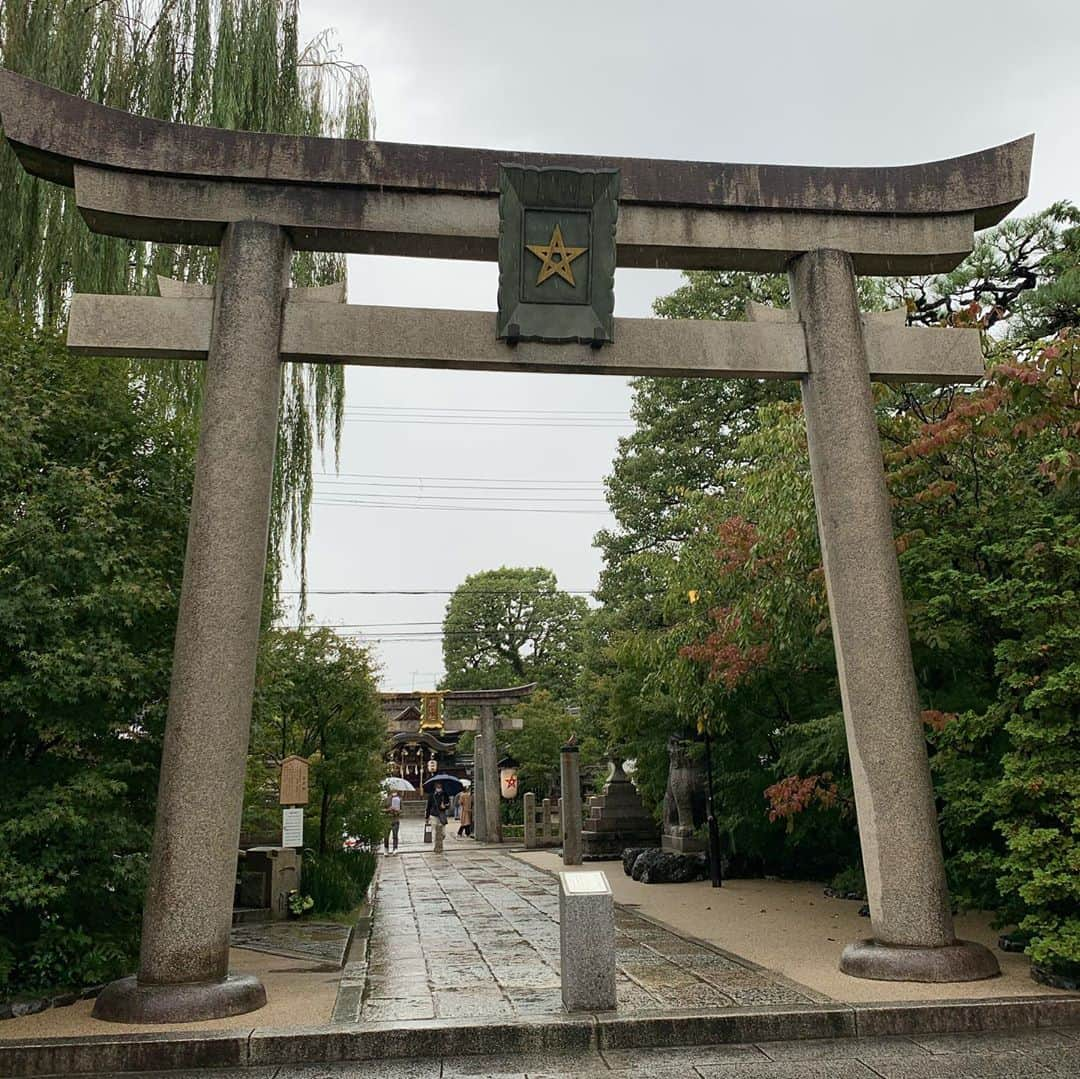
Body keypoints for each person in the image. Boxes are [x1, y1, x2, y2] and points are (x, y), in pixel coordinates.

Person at [425, 782, 451, 854]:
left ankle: (439, 843)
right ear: (435, 787)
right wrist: (427, 817)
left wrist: (445, 806)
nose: (438, 788)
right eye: (437, 786)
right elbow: (428, 807)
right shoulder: (431, 795)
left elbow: (448, 805)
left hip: (442, 815)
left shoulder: (445, 795)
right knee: (435, 832)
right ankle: (437, 847)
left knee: (443, 833)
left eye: (440, 786)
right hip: (433, 815)